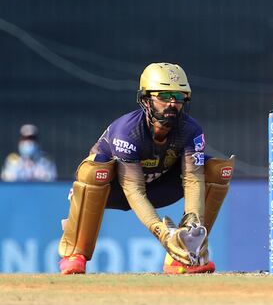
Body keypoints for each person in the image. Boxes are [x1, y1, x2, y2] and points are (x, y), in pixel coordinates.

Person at [57, 63, 235, 275]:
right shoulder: (127, 131)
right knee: (94, 171)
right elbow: (133, 189)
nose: (172, 103)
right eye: (164, 95)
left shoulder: (191, 130)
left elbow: (193, 179)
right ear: (145, 99)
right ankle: (75, 253)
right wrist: (162, 233)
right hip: (113, 190)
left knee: (216, 170)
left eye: (178, 97)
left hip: (158, 188)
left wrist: (192, 224)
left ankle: (186, 254)